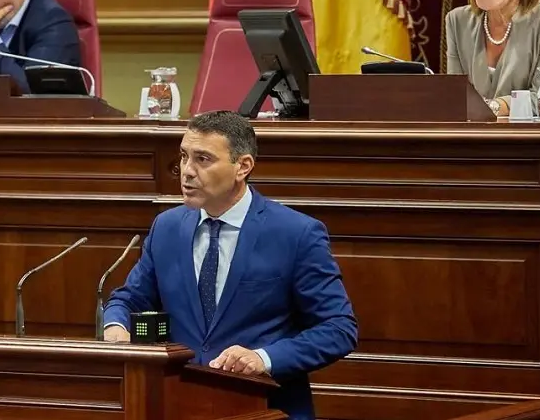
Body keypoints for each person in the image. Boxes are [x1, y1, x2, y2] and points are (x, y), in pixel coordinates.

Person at [103, 110, 357, 420]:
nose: (186, 171)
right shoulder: (167, 228)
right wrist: (116, 327)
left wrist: (263, 358)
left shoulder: (296, 233)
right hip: (177, 405)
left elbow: (338, 328)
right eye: (184, 156)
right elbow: (130, 298)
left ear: (243, 166)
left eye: (203, 159)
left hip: (263, 406)